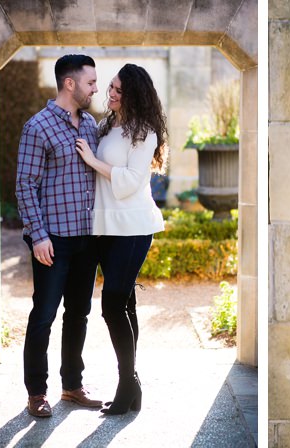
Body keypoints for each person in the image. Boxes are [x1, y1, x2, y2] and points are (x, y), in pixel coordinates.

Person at [74, 63, 167, 415]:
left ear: (134, 95)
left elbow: (128, 183)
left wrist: (92, 159)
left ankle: (127, 383)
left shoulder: (145, 133)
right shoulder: (108, 126)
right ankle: (132, 387)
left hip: (134, 227)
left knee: (111, 303)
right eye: (110, 87)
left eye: (117, 90)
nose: (110, 94)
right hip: (106, 229)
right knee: (125, 304)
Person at [16, 54, 103, 418]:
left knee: (79, 315)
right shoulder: (37, 127)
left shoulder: (91, 126)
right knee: (44, 316)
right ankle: (37, 392)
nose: (95, 88)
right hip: (53, 241)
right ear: (70, 84)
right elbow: (24, 184)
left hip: (86, 239)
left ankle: (72, 386)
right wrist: (38, 236)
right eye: (91, 82)